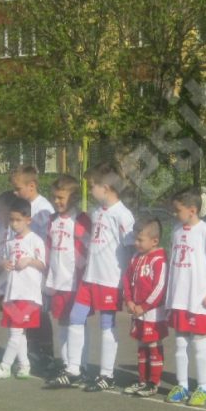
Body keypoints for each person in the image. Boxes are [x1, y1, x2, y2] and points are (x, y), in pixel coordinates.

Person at [48, 162, 135, 392]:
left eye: (92, 186)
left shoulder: (123, 215)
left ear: (105, 187)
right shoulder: (96, 212)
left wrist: (128, 285)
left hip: (109, 279)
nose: (90, 190)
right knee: (76, 317)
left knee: (107, 325)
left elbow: (131, 251)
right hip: (89, 278)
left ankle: (107, 374)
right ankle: (74, 370)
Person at [165, 188, 206, 407]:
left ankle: (203, 388)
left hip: (198, 298)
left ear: (192, 210)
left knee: (199, 341)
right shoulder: (175, 231)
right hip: (178, 298)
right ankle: (182, 385)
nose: (174, 214)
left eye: (177, 210)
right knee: (180, 341)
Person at [0, 197, 47, 380]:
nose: (14, 223)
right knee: (17, 332)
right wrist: (4, 263)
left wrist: (29, 261)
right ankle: (24, 365)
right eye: (11, 220)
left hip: (28, 294)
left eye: (18, 220)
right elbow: (3, 261)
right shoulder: (10, 242)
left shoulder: (35, 240)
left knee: (16, 332)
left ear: (28, 220)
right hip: (12, 292)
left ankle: (5, 366)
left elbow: (43, 264)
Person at [44, 175, 91, 375]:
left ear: (73, 198)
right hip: (58, 280)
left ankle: (81, 363)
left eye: (61, 198)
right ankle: (65, 362)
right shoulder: (52, 220)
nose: (57, 202)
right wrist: (48, 276)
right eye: (55, 197)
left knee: (78, 322)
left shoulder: (81, 220)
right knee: (62, 322)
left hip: (76, 281)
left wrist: (84, 274)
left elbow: (89, 248)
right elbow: (48, 249)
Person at [10, 165, 56, 368]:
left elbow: (48, 241)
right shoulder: (22, 207)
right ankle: (31, 350)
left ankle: (45, 352)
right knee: (28, 309)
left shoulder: (44, 209)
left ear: (31, 186)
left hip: (39, 269)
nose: (15, 193)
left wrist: (43, 268)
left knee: (41, 311)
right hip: (23, 271)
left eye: (18, 188)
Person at [122, 217, 168, 398]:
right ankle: (142, 379)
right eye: (135, 239)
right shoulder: (135, 257)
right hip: (137, 310)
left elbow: (160, 287)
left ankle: (153, 382)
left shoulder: (159, 259)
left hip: (153, 312)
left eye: (140, 240)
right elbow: (127, 279)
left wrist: (146, 306)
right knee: (141, 344)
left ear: (154, 241)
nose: (136, 243)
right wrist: (130, 301)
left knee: (153, 344)